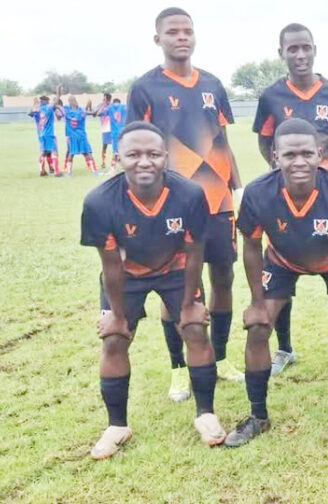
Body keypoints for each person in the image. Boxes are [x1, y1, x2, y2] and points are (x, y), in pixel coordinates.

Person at [226, 119, 328, 446]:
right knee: (258, 326)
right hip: (281, 259)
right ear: (275, 156)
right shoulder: (259, 192)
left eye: (307, 153)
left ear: (320, 154)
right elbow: (251, 246)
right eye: (290, 155)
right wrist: (256, 301)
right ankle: (258, 415)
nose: (299, 162)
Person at [80, 121, 226, 460]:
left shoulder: (189, 194)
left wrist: (189, 304)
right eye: (134, 154)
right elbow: (110, 265)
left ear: (166, 157)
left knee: (194, 328)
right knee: (114, 338)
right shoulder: (99, 201)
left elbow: (195, 252)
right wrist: (117, 316)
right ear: (119, 158)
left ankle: (205, 414)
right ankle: (117, 425)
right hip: (127, 275)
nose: (144, 161)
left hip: (176, 269)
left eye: (153, 154)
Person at [127, 7, 245, 402]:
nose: (182, 37)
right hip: (173, 206)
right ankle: (179, 368)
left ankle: (221, 356)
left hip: (218, 201)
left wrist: (238, 188)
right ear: (157, 39)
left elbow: (223, 140)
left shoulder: (212, 83)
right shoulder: (145, 88)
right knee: (176, 285)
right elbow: (137, 147)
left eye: (187, 31)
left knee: (223, 277)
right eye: (173, 32)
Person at [252, 23, 328, 375]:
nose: (300, 54)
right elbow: (265, 141)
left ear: (314, 49)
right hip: (286, 198)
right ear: (281, 53)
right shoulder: (271, 96)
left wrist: (325, 176)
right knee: (282, 270)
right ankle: (284, 349)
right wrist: (283, 173)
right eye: (292, 49)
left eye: (305, 47)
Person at [28, 87, 63, 177]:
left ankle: (42, 170)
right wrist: (58, 90)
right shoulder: (49, 107)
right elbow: (57, 100)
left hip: (41, 134)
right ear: (47, 101)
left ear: (41, 102)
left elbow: (29, 113)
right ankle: (56, 172)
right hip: (50, 133)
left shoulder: (37, 110)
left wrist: (35, 104)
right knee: (54, 151)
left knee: (43, 152)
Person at [63, 96, 98, 175]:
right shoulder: (81, 112)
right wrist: (90, 107)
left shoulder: (67, 112)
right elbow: (93, 113)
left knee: (71, 153)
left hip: (72, 136)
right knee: (88, 152)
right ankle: (94, 171)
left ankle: (69, 172)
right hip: (82, 136)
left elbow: (58, 109)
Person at [100, 98, 127, 171]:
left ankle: (112, 167)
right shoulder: (124, 107)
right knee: (123, 150)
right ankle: (125, 165)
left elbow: (100, 113)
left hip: (114, 132)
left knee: (115, 150)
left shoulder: (109, 107)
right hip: (123, 132)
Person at [95, 92, 114, 169]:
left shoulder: (110, 106)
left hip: (109, 128)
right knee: (106, 146)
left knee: (108, 146)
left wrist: (103, 105)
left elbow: (98, 113)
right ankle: (104, 162)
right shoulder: (102, 105)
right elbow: (96, 113)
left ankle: (108, 162)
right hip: (107, 129)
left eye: (104, 97)